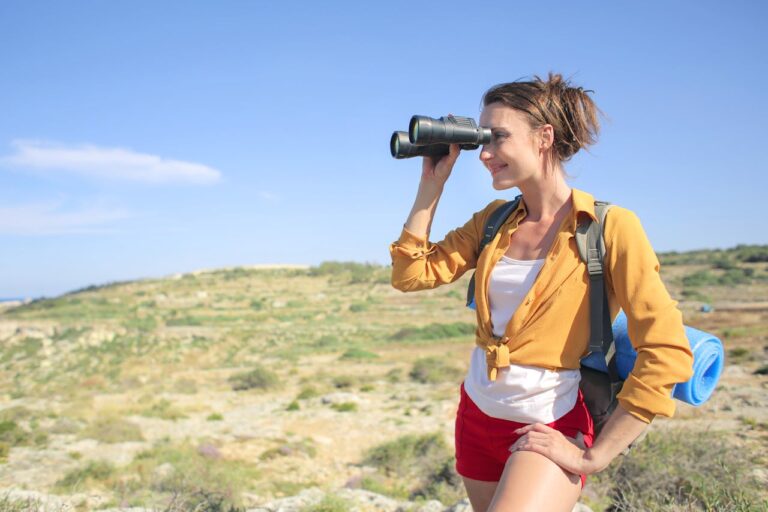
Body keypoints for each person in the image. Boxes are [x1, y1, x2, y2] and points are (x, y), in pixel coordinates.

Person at [388, 73, 695, 512]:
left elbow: (666, 349)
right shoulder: (493, 221)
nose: (486, 154)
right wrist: (431, 186)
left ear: (544, 137)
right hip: (477, 414)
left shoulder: (609, 226)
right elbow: (410, 275)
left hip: (548, 421)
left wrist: (597, 455)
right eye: (483, 140)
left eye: (497, 138)